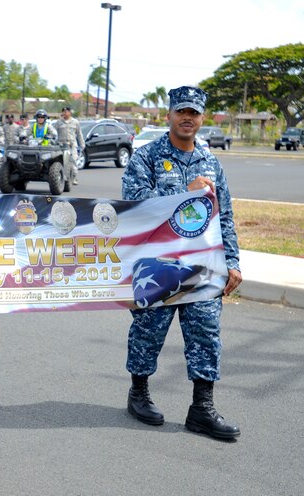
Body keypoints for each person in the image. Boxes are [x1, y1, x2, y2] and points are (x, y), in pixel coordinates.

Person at [121, 86, 242, 440]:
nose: (188, 118)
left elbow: (226, 216)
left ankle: (201, 409)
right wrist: (185, 193)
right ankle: (138, 393)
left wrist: (232, 261)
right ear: (169, 115)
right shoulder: (146, 157)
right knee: (148, 332)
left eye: (194, 113)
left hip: (203, 265)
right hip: (156, 265)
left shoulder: (211, 162)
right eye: (182, 112)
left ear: (201, 118)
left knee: (205, 333)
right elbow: (136, 208)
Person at [52, 107, 85, 185]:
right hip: (61, 144)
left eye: (66, 111)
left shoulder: (75, 122)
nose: (65, 113)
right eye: (63, 111)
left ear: (70, 112)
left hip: (72, 144)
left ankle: (74, 177)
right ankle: (62, 178)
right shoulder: (59, 122)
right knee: (61, 161)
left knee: (73, 160)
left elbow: (79, 134)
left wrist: (82, 144)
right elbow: (53, 133)